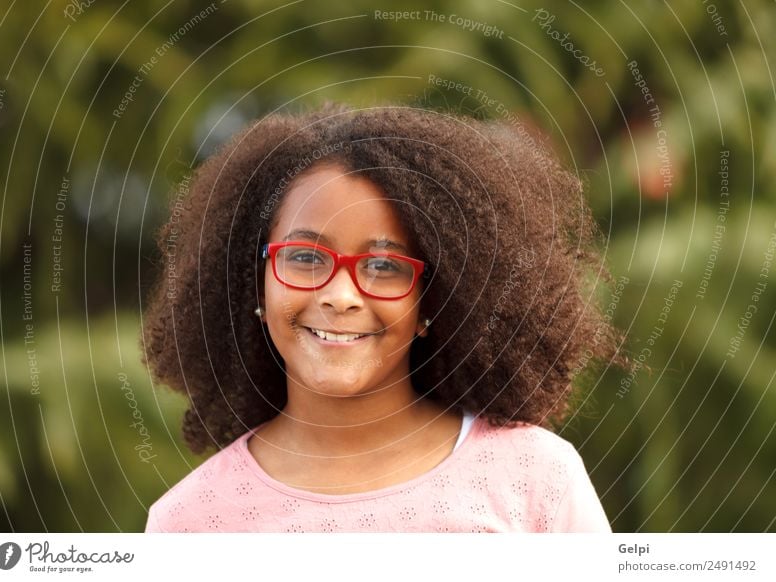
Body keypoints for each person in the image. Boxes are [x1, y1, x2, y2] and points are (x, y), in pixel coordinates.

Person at [141, 103, 629, 532]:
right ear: (256, 283)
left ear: (429, 300)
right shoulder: (189, 524)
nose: (339, 295)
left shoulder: (535, 478)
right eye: (306, 258)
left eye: (383, 266)